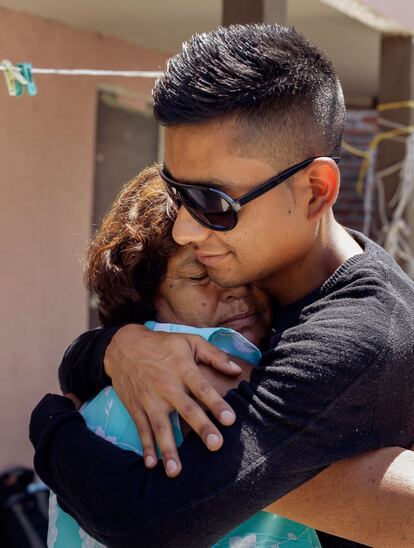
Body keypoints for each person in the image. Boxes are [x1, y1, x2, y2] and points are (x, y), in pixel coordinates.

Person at [30, 24, 414, 547]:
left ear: (316, 191)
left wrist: (51, 424)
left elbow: (149, 520)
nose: (185, 228)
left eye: (213, 203)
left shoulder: (351, 342)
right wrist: (116, 348)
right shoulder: (280, 269)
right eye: (175, 191)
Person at [49, 166, 322, 547]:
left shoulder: (110, 377)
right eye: (200, 277)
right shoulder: (214, 366)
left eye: (247, 268)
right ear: (143, 294)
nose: (233, 288)